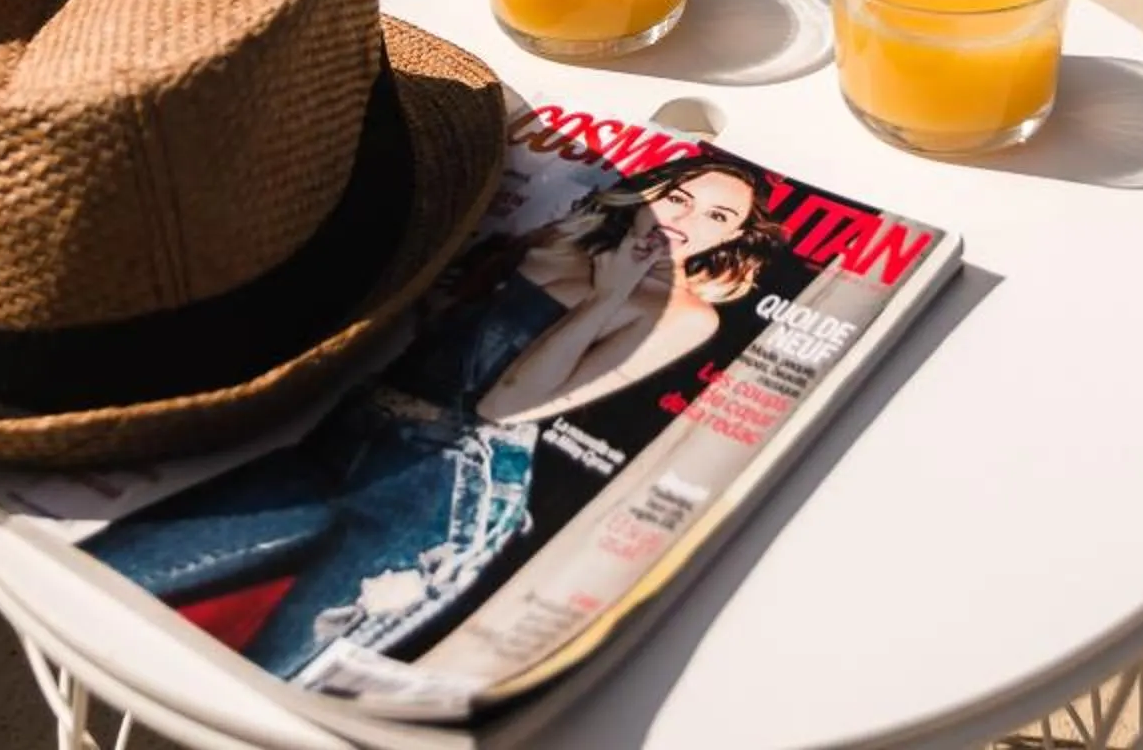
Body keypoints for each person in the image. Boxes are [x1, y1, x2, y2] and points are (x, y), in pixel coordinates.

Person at [85, 153, 785, 680]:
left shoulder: (683, 314)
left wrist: (609, 298)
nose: (683, 221)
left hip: (448, 489)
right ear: (650, 189)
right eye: (679, 196)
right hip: (347, 438)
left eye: (715, 218)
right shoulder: (552, 242)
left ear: (731, 238)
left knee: (283, 673)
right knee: (115, 571)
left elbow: (508, 405)